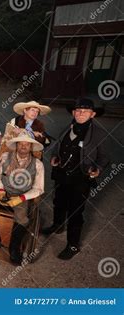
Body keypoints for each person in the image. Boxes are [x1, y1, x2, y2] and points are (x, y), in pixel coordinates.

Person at [42, 98, 109, 260]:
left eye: (85, 111)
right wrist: (55, 157)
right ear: (73, 113)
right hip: (62, 174)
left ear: (92, 114)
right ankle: (57, 225)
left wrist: (97, 170)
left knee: (75, 212)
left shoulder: (98, 133)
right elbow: (58, 146)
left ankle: (72, 245)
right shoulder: (67, 127)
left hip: (81, 178)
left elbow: (104, 157)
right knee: (58, 201)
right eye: (78, 111)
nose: (80, 114)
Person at [0, 132, 44, 265]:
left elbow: (39, 188)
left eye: (27, 144)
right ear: (16, 145)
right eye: (20, 143)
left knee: (22, 218)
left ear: (31, 147)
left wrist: (22, 198)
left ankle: (14, 248)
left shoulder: (38, 164)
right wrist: (0, 190)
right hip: (3, 189)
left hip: (21, 195)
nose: (23, 146)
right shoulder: (6, 157)